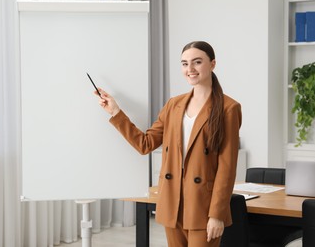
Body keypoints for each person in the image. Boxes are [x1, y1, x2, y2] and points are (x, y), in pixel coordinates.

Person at [94, 41, 242, 247]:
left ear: (212, 64)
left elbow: (227, 167)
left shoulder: (228, 108)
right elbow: (144, 144)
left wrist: (217, 214)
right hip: (173, 202)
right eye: (184, 64)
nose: (190, 69)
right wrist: (116, 112)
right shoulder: (174, 105)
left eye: (197, 62)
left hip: (203, 206)